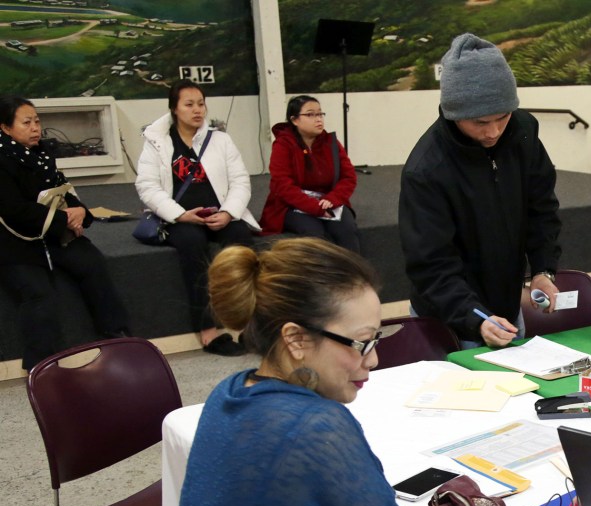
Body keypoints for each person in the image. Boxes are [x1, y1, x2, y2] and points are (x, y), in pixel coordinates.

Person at [151, 238, 419, 506]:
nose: (373, 359)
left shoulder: (231, 393)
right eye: (362, 342)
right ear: (294, 338)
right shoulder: (318, 425)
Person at [399, 33, 562, 349]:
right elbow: (430, 265)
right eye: (480, 122)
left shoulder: (523, 132)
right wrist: (475, 316)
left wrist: (543, 269)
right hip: (450, 319)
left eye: (502, 117)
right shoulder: (427, 169)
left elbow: (541, 208)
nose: (493, 132)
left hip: (507, 307)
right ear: (454, 113)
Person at [0, 95, 130, 370]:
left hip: (51, 233)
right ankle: (41, 367)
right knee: (38, 294)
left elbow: (63, 190)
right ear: (6, 128)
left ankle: (116, 335)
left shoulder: (41, 154)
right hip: (14, 242)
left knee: (92, 262)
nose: (35, 127)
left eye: (37, 120)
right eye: (27, 122)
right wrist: (62, 219)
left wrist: (80, 211)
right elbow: (14, 210)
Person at [135, 79, 258, 356]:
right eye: (189, 105)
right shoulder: (157, 142)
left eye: (201, 104)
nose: (197, 110)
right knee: (192, 245)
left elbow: (240, 181)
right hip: (181, 217)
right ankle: (208, 328)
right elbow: (147, 186)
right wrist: (179, 215)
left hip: (220, 213)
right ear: (174, 109)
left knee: (241, 242)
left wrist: (228, 212)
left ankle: (249, 324)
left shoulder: (221, 139)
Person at [260, 95, 360, 252]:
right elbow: (282, 185)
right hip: (292, 205)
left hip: (328, 201)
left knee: (347, 230)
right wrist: (314, 207)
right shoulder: (283, 144)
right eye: (311, 114)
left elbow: (349, 177)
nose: (318, 119)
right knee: (314, 233)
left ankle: (353, 274)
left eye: (320, 114)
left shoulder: (331, 142)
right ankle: (319, 276)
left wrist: (333, 198)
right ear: (294, 120)